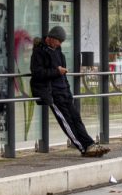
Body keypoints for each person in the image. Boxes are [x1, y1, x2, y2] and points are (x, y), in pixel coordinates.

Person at [30, 26, 109, 158]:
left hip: (64, 91)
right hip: (52, 93)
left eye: (61, 42)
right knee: (66, 121)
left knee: (76, 118)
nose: (59, 44)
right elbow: (37, 73)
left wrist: (67, 89)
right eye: (58, 41)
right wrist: (56, 71)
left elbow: (63, 74)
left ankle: (90, 144)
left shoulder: (59, 52)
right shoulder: (39, 52)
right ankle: (83, 148)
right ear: (51, 38)